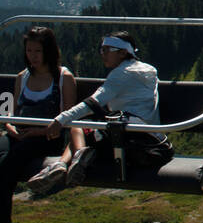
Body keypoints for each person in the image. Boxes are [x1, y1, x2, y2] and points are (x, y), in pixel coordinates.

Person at [0, 26, 84, 223]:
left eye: (37, 51)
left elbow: (68, 118)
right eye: (29, 51)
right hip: (20, 132)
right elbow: (12, 111)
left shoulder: (63, 79)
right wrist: (10, 127)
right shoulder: (23, 77)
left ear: (49, 51)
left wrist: (37, 132)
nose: (33, 56)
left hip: (47, 136)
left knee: (9, 162)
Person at [44, 31, 172, 188]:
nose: (102, 54)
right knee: (83, 131)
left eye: (106, 50)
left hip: (127, 141)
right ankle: (64, 163)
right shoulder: (149, 70)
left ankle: (75, 160)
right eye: (101, 50)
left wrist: (60, 119)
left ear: (123, 52)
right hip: (151, 140)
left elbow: (92, 103)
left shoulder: (121, 74)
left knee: (77, 125)